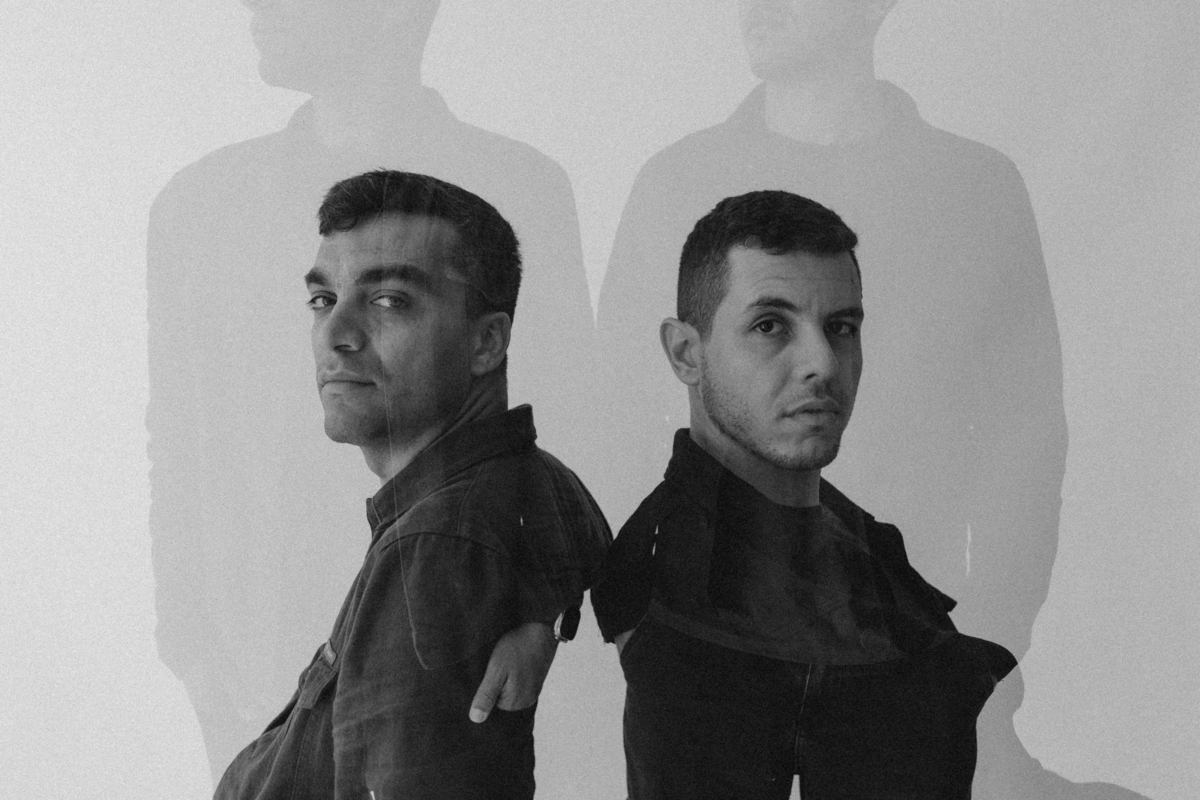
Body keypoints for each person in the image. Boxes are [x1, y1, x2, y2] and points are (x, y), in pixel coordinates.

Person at [593, 3, 1066, 794]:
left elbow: (1028, 432)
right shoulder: (676, 179)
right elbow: (611, 414)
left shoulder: (972, 186)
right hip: (709, 645)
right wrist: (638, 625)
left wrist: (990, 648)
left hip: (907, 651)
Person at [146, 0, 598, 779]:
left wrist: (541, 616)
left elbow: (568, 424)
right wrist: (190, 648)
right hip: (257, 668)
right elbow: (177, 437)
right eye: (322, 300)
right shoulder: (202, 203)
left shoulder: (520, 186)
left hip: (448, 647)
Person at [592, 190, 1016, 799]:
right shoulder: (668, 581)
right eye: (770, 326)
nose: (823, 363)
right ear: (686, 353)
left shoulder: (871, 558)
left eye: (841, 328)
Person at [214, 170, 610, 798]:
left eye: (389, 300)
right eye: (323, 300)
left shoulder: (431, 548)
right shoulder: (530, 478)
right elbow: (577, 534)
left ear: (486, 342)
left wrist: (541, 623)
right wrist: (542, 620)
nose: (335, 336)